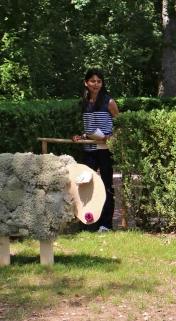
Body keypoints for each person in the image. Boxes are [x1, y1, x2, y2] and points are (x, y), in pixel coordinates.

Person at [73, 68, 119, 232]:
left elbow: (120, 124)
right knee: (86, 185)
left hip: (104, 149)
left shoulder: (109, 102)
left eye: (99, 81)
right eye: (92, 81)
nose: (96, 84)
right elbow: (89, 128)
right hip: (89, 150)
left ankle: (106, 225)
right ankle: (88, 223)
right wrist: (81, 136)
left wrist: (112, 136)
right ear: (86, 83)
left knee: (106, 185)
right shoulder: (84, 103)